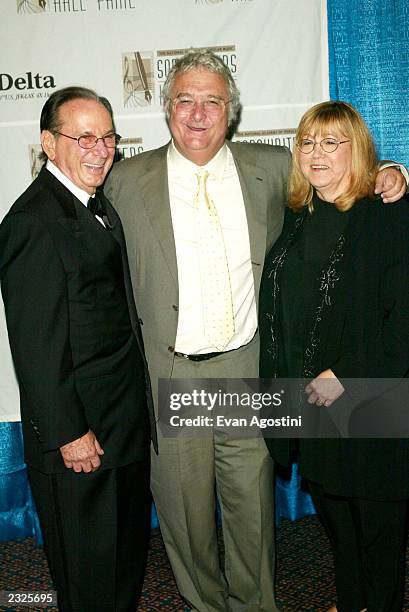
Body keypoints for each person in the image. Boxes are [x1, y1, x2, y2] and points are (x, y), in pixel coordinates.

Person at [104, 49, 407, 612]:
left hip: (250, 372)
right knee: (186, 519)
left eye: (212, 101)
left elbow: (350, 184)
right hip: (170, 373)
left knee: (252, 513)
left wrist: (394, 173)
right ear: (167, 109)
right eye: (185, 101)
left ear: (231, 111)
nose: (198, 114)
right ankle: (204, 605)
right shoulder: (124, 179)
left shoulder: (269, 170)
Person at [0, 86, 156, 612]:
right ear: (49, 143)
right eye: (83, 136)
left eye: (108, 136)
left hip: (121, 431)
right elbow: (36, 347)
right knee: (90, 583)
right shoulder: (32, 222)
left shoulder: (94, 205)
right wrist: (70, 433)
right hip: (81, 444)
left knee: (121, 572)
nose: (100, 148)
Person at [259, 100, 409, 612]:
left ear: (358, 149)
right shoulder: (298, 217)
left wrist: (343, 376)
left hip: (373, 402)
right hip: (314, 406)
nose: (316, 153)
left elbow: (403, 328)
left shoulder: (389, 215)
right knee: (338, 526)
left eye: (331, 142)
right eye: (307, 142)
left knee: (379, 535)